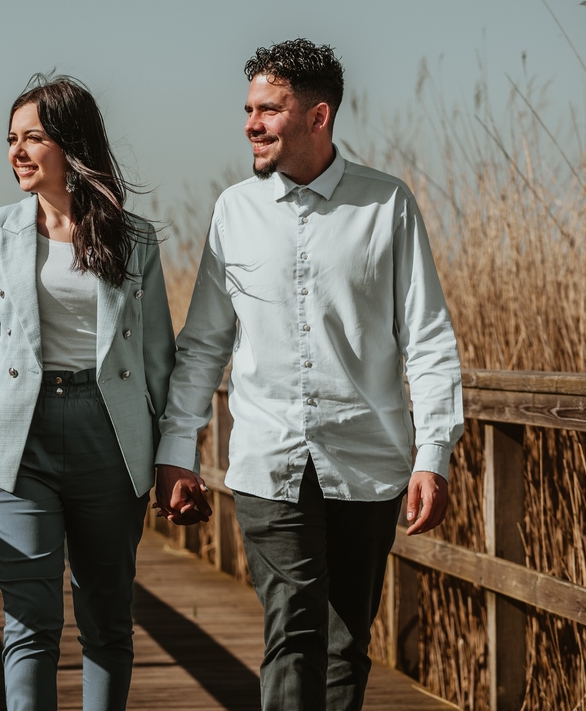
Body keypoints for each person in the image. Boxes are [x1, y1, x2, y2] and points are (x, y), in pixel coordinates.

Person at [153, 39, 463, 711]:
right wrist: (178, 453)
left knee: (347, 643)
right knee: (293, 633)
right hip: (270, 461)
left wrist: (432, 456)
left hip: (369, 461)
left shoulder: (387, 205)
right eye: (248, 108)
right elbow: (203, 343)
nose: (251, 123)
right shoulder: (234, 211)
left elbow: (429, 339)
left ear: (317, 117)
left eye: (269, 109)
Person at [0, 74, 175, 711]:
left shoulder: (135, 241)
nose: (17, 152)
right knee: (29, 623)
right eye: (11, 139)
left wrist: (177, 456)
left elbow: (161, 361)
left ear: (71, 144)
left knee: (107, 621)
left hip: (114, 439)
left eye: (33, 138)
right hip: (19, 444)